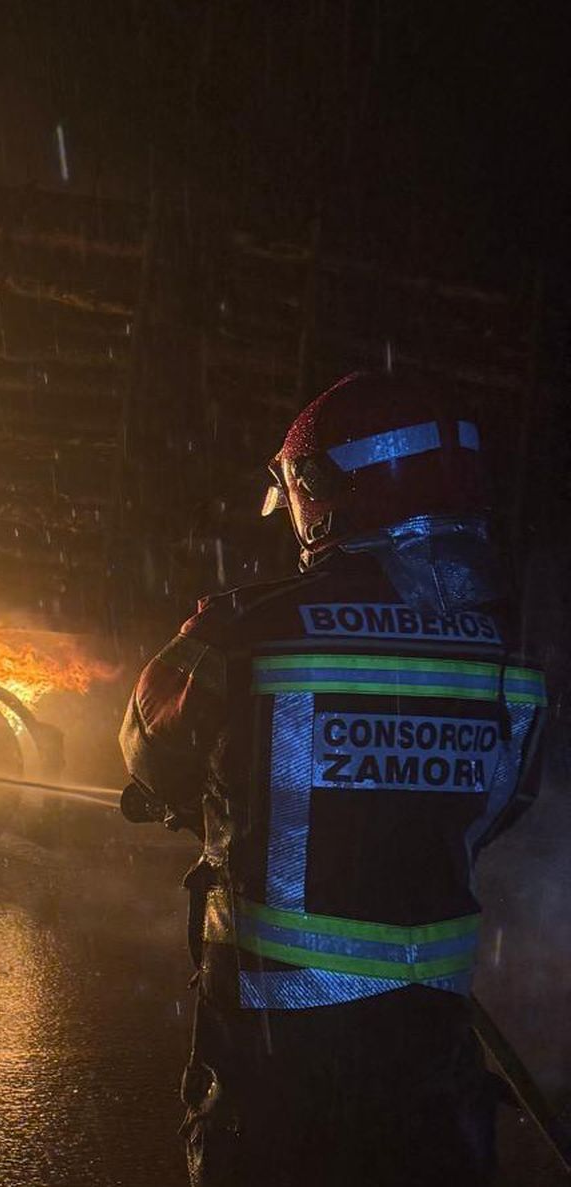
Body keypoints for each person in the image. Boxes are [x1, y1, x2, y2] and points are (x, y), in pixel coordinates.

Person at [119, 371, 547, 1186]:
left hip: (283, 1069)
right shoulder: (509, 656)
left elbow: (147, 748)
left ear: (320, 490)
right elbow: (493, 808)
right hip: (431, 1056)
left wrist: (224, 792)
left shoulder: (247, 629)